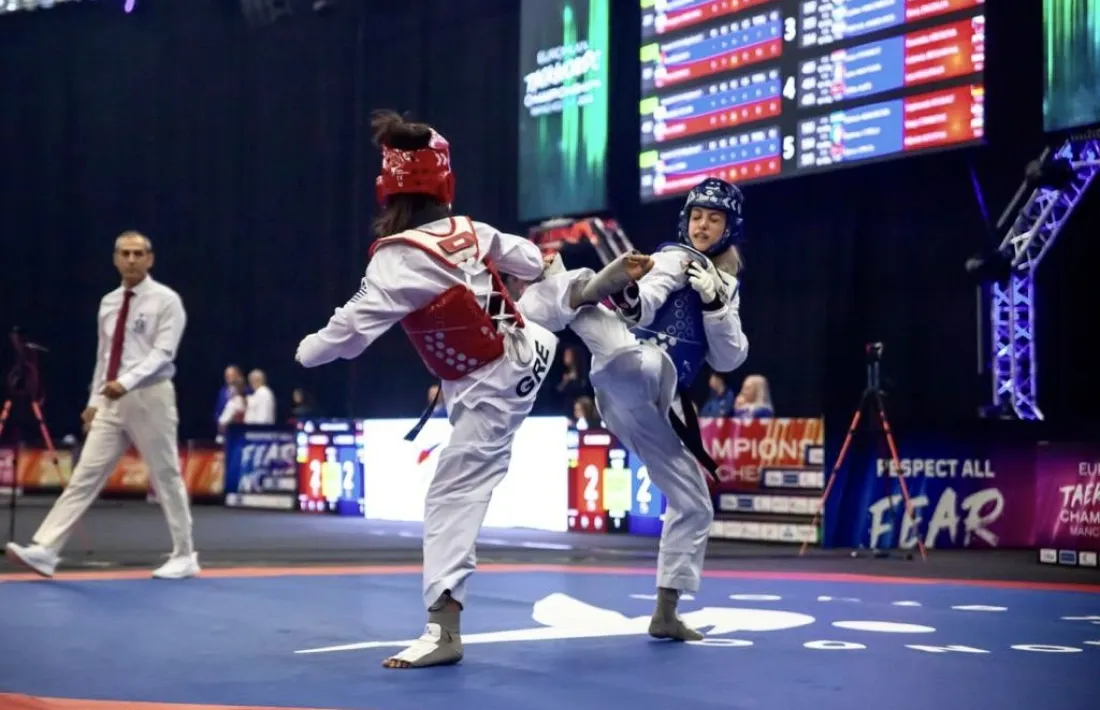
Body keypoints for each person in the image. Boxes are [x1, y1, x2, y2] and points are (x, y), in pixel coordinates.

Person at [294, 110, 652, 669]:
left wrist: (306, 349)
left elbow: (345, 338)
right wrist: (503, 273)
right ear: (444, 182)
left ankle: (443, 631)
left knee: (450, 496)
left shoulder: (394, 261)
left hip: (491, 392)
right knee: (546, 285)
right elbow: (532, 258)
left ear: (388, 189)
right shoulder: (472, 229)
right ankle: (596, 309)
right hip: (530, 351)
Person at [519, 176, 749, 641]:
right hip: (634, 365)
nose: (703, 226)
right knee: (614, 331)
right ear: (686, 220)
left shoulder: (726, 285)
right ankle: (559, 293)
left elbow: (730, 358)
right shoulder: (674, 258)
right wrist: (629, 292)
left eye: (714, 218)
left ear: (730, 227)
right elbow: (647, 307)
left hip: (646, 405)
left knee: (694, 504)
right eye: (697, 216)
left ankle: (665, 612)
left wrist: (715, 303)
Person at [5, 231, 199, 580]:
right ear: (115, 259)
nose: (131, 260)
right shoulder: (109, 302)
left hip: (150, 396)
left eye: (138, 253)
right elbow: (105, 357)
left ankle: (185, 554)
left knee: (165, 474)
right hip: (112, 400)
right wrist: (94, 399)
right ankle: (47, 549)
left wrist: (123, 383)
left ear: (150, 259)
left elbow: (162, 354)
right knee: (85, 474)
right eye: (125, 253)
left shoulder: (166, 301)